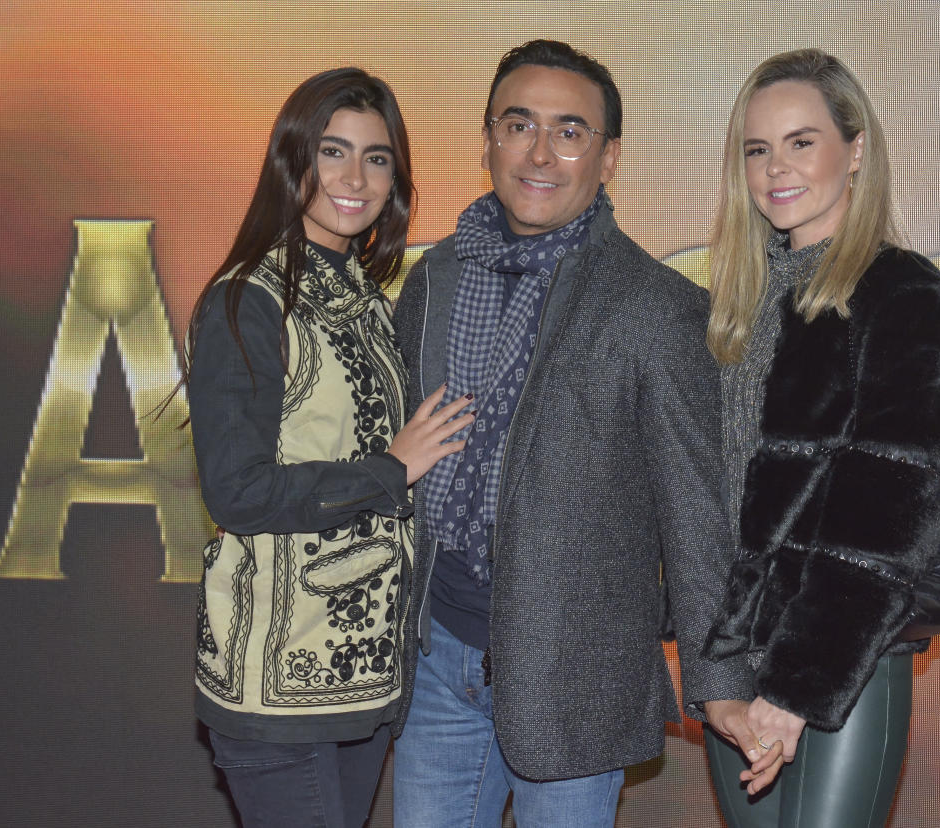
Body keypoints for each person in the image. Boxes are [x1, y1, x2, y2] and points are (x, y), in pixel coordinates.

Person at [388, 40, 745, 827]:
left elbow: (696, 513)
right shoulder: (435, 277)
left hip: (574, 673)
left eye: (570, 131)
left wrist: (720, 681)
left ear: (608, 157)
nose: (540, 152)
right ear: (487, 141)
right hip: (438, 657)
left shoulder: (654, 306)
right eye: (519, 126)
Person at [181, 68, 474, 828]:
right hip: (275, 685)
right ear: (293, 163)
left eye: (376, 158)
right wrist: (390, 471)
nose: (355, 177)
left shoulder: (370, 300)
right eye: (332, 152)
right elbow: (237, 491)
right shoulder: (249, 298)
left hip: (368, 681)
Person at [699, 49, 940, 827]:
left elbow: (884, 520)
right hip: (735, 660)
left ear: (855, 151)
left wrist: (796, 688)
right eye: (757, 149)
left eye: (801, 141)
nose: (776, 168)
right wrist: (717, 666)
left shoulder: (903, 293)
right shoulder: (735, 310)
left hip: (842, 665)